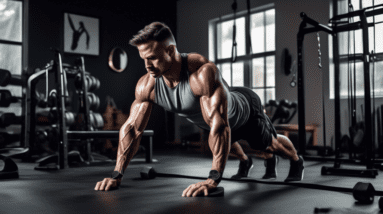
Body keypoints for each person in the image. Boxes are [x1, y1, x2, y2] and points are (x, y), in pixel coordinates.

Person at [94, 22, 304, 197]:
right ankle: (245, 162)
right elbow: (132, 128)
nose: (147, 65)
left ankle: (296, 162)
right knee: (224, 146)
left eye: (153, 58)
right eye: (143, 59)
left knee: (268, 145)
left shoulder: (201, 73)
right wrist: (116, 175)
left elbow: (221, 126)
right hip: (212, 121)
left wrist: (213, 179)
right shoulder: (147, 84)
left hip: (245, 110)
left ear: (170, 50)